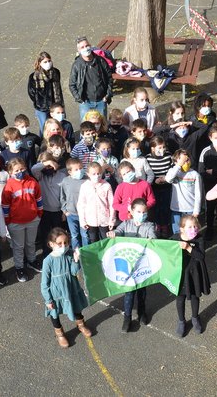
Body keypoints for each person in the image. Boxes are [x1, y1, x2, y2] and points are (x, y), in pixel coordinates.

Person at [41, 228, 92, 348]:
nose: (63, 246)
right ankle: (59, 333)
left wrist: (75, 260)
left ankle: (81, 324)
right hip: (56, 292)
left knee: (77, 307)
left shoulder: (69, 254)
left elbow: (74, 272)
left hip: (71, 288)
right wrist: (48, 299)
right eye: (59, 244)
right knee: (55, 313)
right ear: (51, 244)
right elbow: (44, 283)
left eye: (66, 243)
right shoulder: (48, 261)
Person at [113, 199, 158, 332]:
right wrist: (113, 233)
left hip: (142, 265)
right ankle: (127, 317)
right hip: (129, 265)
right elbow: (118, 231)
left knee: (142, 291)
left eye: (144, 212)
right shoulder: (126, 224)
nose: (141, 214)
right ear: (131, 211)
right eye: (138, 211)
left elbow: (153, 236)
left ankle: (141, 312)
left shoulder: (149, 225)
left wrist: (152, 239)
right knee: (129, 293)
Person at [1, 158, 43, 283]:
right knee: (18, 246)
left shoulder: (32, 182)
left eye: (22, 169)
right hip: (15, 223)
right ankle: (19, 267)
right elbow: (5, 205)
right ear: (10, 172)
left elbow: (39, 198)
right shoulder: (9, 186)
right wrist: (8, 220)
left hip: (32, 219)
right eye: (17, 170)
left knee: (30, 243)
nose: (20, 172)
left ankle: (31, 261)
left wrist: (39, 213)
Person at [172, 215, 210, 337]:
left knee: (194, 296)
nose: (193, 229)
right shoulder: (175, 239)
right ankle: (181, 321)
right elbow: (163, 246)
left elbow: (201, 256)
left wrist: (188, 247)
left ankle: (195, 318)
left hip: (195, 274)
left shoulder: (199, 239)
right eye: (189, 227)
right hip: (180, 275)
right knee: (180, 298)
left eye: (195, 226)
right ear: (182, 229)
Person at [30, 152, 68, 268]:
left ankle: (61, 254)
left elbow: (65, 195)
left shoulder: (61, 176)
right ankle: (47, 256)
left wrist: (64, 211)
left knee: (59, 235)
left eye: (50, 166)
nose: (48, 168)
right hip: (45, 211)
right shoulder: (40, 175)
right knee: (46, 235)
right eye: (45, 166)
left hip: (57, 211)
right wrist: (46, 163)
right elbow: (33, 169)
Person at [69, 36, 113, 122]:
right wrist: (79, 99)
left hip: (101, 101)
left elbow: (109, 79)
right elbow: (72, 84)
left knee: (102, 127)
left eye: (87, 45)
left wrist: (107, 96)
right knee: (85, 130)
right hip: (85, 103)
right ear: (78, 50)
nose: (85, 48)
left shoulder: (101, 61)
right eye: (82, 47)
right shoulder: (77, 65)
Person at [165, 150, 202, 235]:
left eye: (187, 159)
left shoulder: (195, 174)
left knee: (190, 232)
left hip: (190, 209)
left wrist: (196, 210)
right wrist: (178, 165)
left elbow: (198, 194)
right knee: (177, 232)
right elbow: (168, 179)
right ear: (175, 161)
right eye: (182, 160)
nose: (185, 162)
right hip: (176, 209)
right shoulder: (174, 172)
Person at [77, 162, 116, 243]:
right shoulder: (84, 186)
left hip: (104, 220)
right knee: (93, 241)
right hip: (90, 220)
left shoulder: (106, 185)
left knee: (106, 240)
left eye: (98, 173)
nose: (97, 176)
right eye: (93, 174)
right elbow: (81, 205)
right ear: (88, 174)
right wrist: (82, 221)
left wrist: (111, 220)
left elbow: (112, 204)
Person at [27, 51, 64, 133]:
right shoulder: (34, 76)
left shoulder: (56, 72)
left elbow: (58, 88)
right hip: (42, 108)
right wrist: (39, 101)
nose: (48, 63)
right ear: (40, 63)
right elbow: (31, 92)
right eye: (45, 62)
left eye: (49, 61)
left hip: (55, 105)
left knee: (57, 126)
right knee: (44, 128)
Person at [147, 137, 174, 236]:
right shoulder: (148, 158)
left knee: (166, 206)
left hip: (166, 185)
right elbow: (148, 173)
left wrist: (166, 178)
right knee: (156, 207)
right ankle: (157, 225)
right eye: (159, 147)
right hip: (154, 186)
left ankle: (165, 225)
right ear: (153, 148)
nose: (162, 150)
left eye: (163, 147)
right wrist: (155, 181)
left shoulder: (168, 156)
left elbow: (171, 169)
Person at [61, 158, 88, 249]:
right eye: (76, 169)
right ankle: (76, 254)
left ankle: (86, 253)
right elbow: (62, 197)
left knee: (85, 235)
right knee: (74, 235)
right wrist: (65, 210)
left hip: (84, 215)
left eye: (81, 168)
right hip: (71, 214)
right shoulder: (65, 181)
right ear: (69, 172)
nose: (80, 171)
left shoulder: (87, 180)